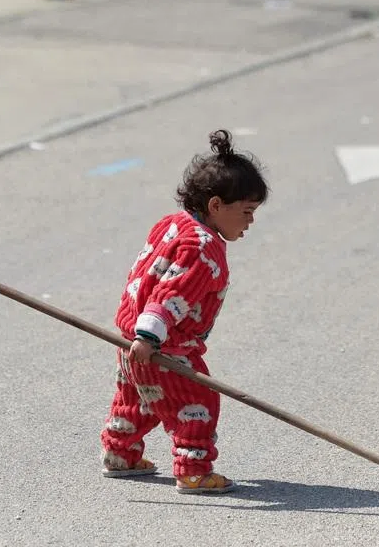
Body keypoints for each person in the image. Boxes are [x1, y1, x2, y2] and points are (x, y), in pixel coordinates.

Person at [100, 129, 268, 494]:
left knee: (138, 399)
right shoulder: (203, 249)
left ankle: (121, 453)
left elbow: (145, 277)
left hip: (128, 337)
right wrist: (150, 336)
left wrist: (137, 334)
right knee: (197, 402)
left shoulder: (172, 224)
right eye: (246, 212)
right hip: (162, 344)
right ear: (216, 206)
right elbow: (170, 294)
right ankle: (193, 470)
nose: (250, 222)